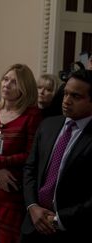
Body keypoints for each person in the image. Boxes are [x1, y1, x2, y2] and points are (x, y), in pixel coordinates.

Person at [21, 69, 92, 243]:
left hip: (71, 229)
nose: (66, 101)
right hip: (33, 223)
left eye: (76, 96)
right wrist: (32, 206)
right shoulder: (48, 125)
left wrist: (58, 220)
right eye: (66, 93)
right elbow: (30, 168)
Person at [0, 63, 42, 243]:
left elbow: (30, 154)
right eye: (5, 79)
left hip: (12, 188)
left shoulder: (32, 115)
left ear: (24, 88)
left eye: (14, 82)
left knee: (8, 236)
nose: (6, 84)